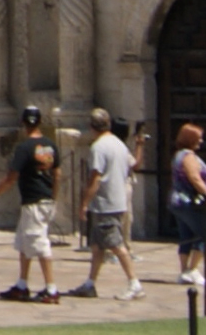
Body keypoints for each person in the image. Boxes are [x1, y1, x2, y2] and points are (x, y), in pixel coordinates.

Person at [69, 112, 142, 301]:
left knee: (116, 245)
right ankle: (90, 283)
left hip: (106, 203)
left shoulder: (99, 147)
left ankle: (134, 283)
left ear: (92, 127)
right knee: (97, 246)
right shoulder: (119, 144)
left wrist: (84, 203)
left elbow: (96, 177)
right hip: (116, 201)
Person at [0, 105, 64, 301]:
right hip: (44, 199)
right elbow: (57, 174)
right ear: (40, 122)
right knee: (24, 242)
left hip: (34, 201)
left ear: (23, 123)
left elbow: (11, 177)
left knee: (40, 244)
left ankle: (51, 289)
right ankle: (22, 284)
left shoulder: (24, 148)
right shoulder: (50, 146)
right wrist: (54, 197)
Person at [165, 122, 206, 296]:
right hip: (187, 201)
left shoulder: (178, 155)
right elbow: (195, 178)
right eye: (198, 138)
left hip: (178, 201)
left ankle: (184, 271)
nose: (201, 141)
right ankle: (193, 269)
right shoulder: (188, 156)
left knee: (186, 235)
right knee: (205, 233)